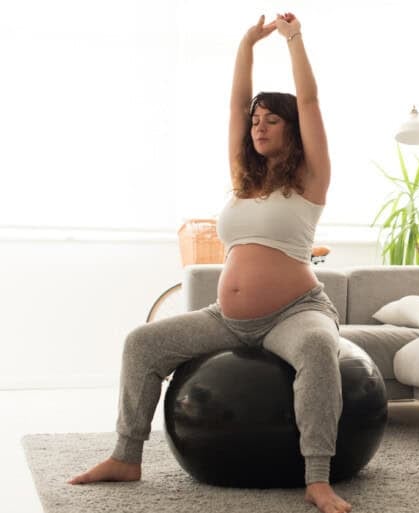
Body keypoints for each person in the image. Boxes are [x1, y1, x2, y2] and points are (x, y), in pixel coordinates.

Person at [68, 13, 353, 513]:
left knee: (315, 346)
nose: (258, 126)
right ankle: (125, 455)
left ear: (292, 130)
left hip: (295, 312)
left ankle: (318, 478)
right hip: (228, 320)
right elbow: (234, 105)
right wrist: (245, 44)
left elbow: (309, 100)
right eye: (256, 121)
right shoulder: (245, 177)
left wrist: (293, 40)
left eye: (272, 119)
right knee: (141, 344)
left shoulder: (310, 179)